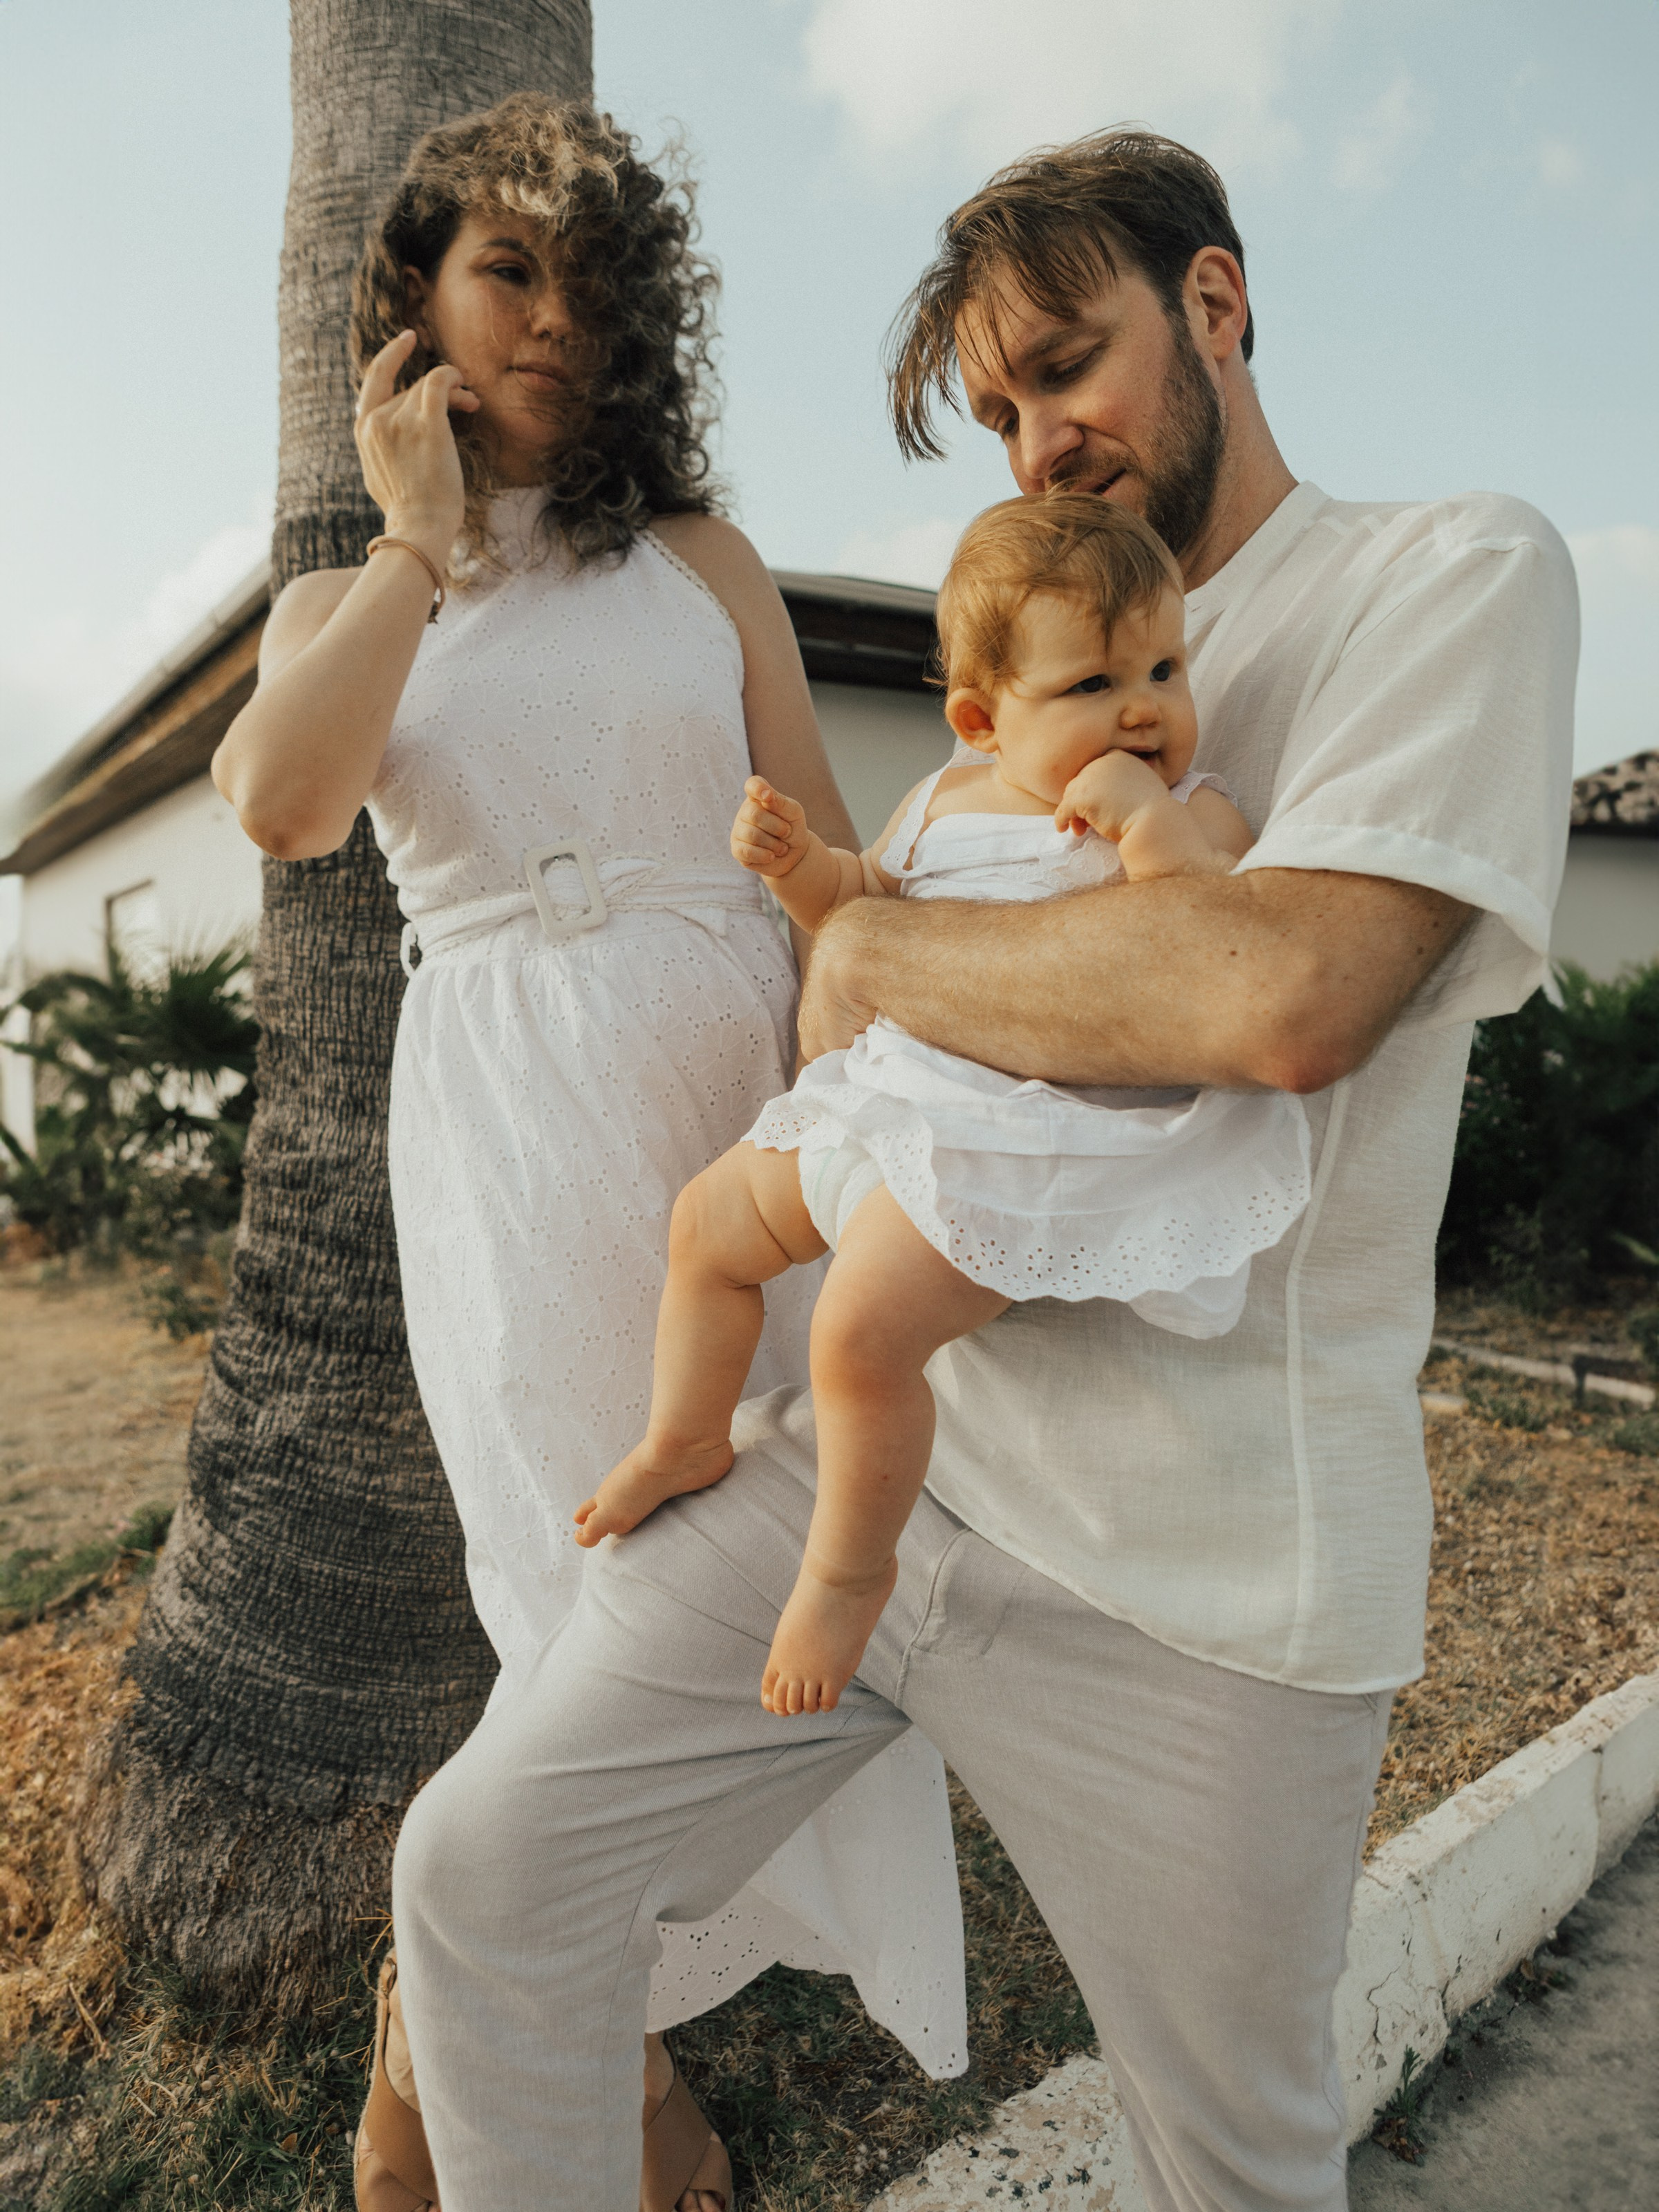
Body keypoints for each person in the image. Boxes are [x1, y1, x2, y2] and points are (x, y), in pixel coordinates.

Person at [388, 128, 1577, 2212]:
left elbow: (1279, 994)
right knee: (484, 1881)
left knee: (1240, 2165)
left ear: (1214, 303)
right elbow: (869, 1007)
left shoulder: (1450, 577)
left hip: (1207, 1581)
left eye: (1068, 365)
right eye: (1002, 408)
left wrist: (884, 945)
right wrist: (907, 950)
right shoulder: (1007, 685)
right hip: (890, 1466)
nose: (1039, 439)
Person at [210, 93, 967, 2212]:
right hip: (525, 1150)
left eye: (592, 280)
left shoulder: (702, 559)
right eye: (505, 270)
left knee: (795, 1590)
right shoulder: (354, 596)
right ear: (419, 307)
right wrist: (414, 548)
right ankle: (543, 2071)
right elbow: (282, 808)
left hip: (748, 1106)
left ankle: (512, 2038)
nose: (554, 317)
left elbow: (824, 861)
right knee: (587, 1628)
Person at [577, 497, 1311, 1718]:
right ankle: (685, 1435)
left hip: (1015, 1142)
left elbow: (1210, 933)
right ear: (983, 719)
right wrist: (797, 862)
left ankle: (847, 1573)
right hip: (882, 1106)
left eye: (1166, 668)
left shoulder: (1200, 809)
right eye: (1092, 684)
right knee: (704, 1233)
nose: (1144, 709)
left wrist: (1150, 824)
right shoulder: (940, 802)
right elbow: (861, 907)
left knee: (859, 1337)